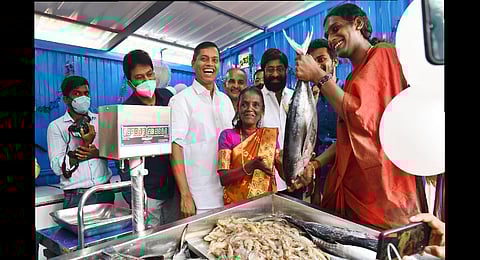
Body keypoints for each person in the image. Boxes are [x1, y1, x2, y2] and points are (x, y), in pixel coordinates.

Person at [294, 3, 424, 229]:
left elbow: (362, 117)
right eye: (327, 34)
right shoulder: (352, 77)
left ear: (358, 23)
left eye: (336, 29)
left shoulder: (383, 53)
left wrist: (318, 76)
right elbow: (349, 137)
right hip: (354, 186)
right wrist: (316, 164)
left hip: (382, 189)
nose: (331, 38)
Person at [169, 41, 235, 218]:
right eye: (204, 59)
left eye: (215, 60)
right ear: (193, 63)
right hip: (199, 197)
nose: (210, 64)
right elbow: (176, 148)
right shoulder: (181, 101)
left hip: (228, 192)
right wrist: (185, 194)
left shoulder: (225, 101)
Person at [116, 49, 180, 227]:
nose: (146, 81)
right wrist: (135, 199)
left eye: (149, 74)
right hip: (147, 193)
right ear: (130, 83)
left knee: (175, 234)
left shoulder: (168, 99)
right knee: (151, 241)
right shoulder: (127, 111)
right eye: (139, 77)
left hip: (174, 186)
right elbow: (122, 163)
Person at [47, 75, 114, 209]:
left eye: (86, 93)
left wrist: (97, 153)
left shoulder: (102, 120)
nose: (83, 97)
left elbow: (115, 152)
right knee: (78, 230)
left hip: (104, 191)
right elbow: (56, 167)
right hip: (76, 196)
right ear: (66, 99)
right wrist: (83, 149)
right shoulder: (56, 127)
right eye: (77, 94)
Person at [217, 87, 284, 205]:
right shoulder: (227, 135)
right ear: (238, 108)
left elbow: (283, 174)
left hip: (264, 204)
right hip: (235, 206)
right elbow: (223, 178)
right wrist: (250, 166)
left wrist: (285, 161)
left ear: (262, 111)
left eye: (256, 105)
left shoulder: (269, 137)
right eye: (244, 104)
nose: (249, 109)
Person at [260, 48, 303, 200]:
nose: (275, 74)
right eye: (270, 70)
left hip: (295, 179)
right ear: (263, 71)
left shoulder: (296, 97)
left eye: (279, 69)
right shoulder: (255, 100)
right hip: (266, 182)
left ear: (286, 70)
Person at [305, 38, 344, 206]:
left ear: (334, 61)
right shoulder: (314, 100)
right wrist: (316, 188)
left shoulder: (348, 91)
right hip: (323, 178)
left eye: (321, 60)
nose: (316, 67)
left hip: (347, 175)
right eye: (312, 62)